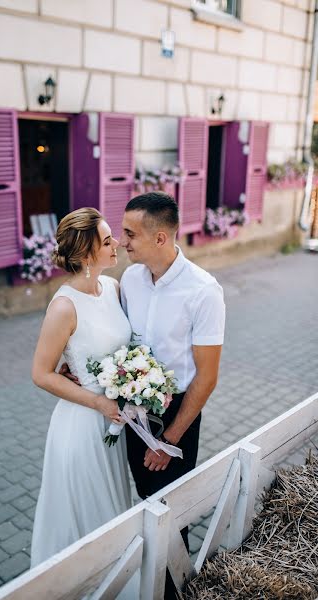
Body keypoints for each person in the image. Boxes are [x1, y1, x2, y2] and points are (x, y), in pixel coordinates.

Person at [30, 208, 136, 594]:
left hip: (114, 423)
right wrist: (97, 402)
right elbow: (41, 373)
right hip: (81, 428)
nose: (117, 244)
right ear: (87, 254)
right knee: (89, 517)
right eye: (108, 241)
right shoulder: (63, 306)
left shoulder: (114, 288)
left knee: (112, 508)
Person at [120, 192, 225, 537]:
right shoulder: (130, 281)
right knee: (145, 500)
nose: (123, 243)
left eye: (130, 234)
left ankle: (174, 588)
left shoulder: (204, 291)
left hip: (177, 416)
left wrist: (169, 441)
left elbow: (206, 377)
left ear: (160, 237)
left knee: (172, 514)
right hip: (133, 412)